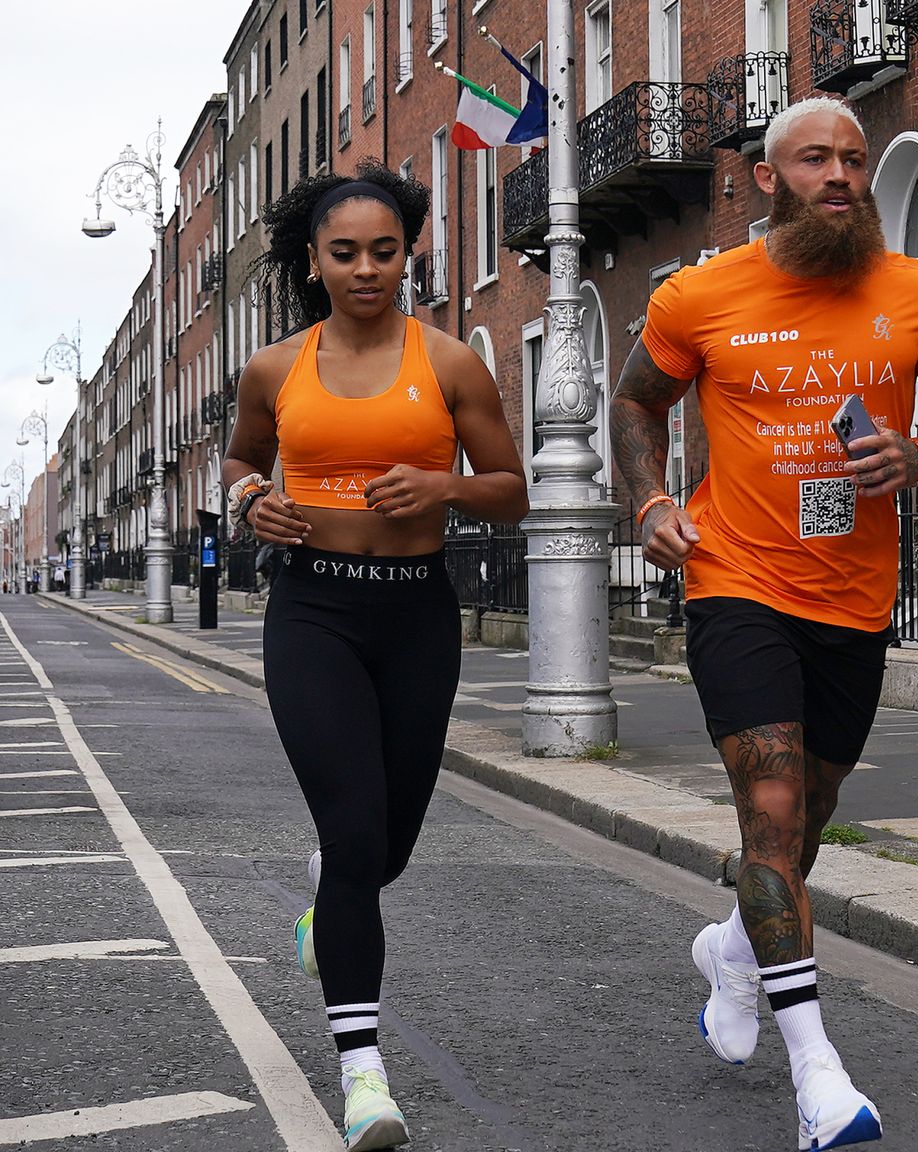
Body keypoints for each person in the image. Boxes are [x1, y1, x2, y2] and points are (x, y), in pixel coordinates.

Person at [610, 96, 918, 1149]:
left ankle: (734, 953)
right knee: (771, 809)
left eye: (854, 159)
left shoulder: (916, 291)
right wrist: (650, 502)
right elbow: (636, 403)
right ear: (766, 175)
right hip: (736, 583)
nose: (841, 175)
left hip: (853, 598)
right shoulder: (701, 294)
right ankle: (817, 1073)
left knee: (811, 813)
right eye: (816, 160)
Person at [224, 162, 527, 1150]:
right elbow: (239, 458)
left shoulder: (447, 365)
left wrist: (441, 486)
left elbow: (510, 489)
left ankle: (330, 893)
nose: (365, 269)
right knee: (357, 840)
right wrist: (246, 501)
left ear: (409, 253)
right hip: (313, 613)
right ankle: (364, 1075)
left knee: (384, 846)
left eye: (384, 252)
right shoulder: (275, 369)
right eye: (345, 253)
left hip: (414, 617)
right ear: (313, 261)